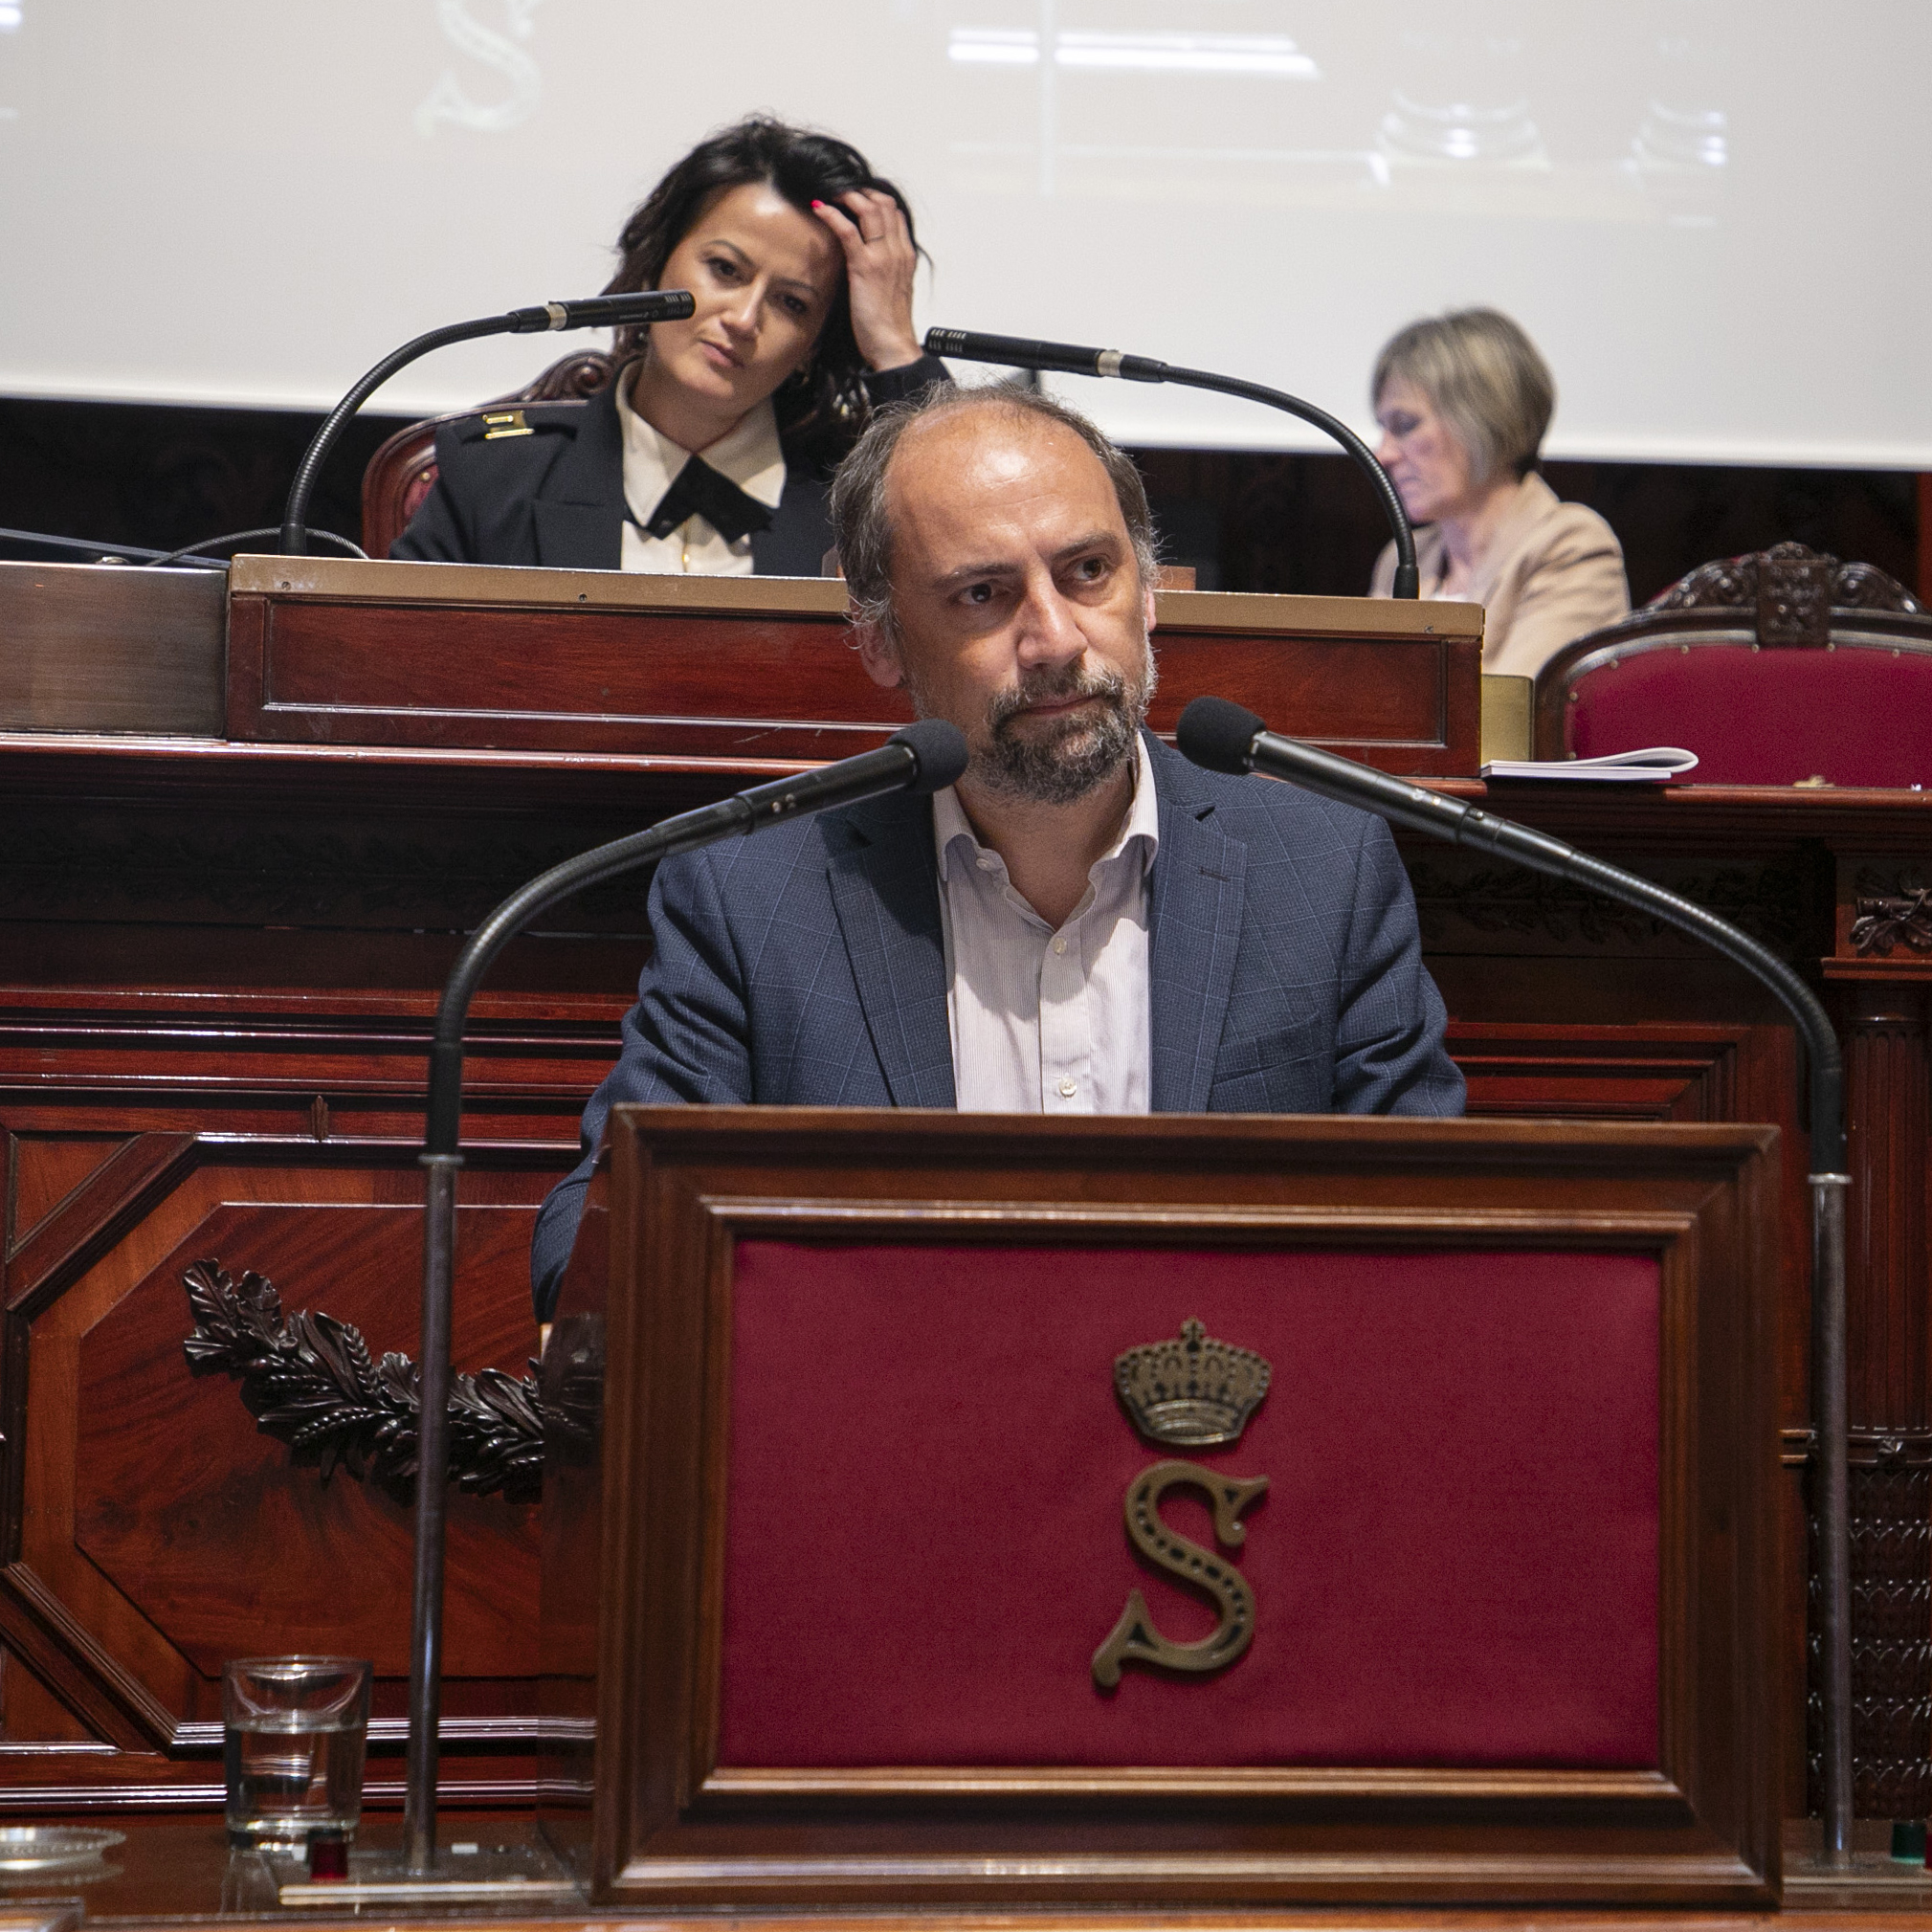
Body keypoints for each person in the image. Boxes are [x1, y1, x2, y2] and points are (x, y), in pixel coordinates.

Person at [530, 382, 1464, 1315]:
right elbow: (595, 1239)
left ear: (1148, 598)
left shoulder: (1325, 874)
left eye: (1089, 572)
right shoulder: (752, 893)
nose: (1055, 639)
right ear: (880, 642)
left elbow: (1440, 1242)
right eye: (983, 594)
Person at [391, 117, 948, 574]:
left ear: (814, 343)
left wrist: (895, 346)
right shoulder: (496, 478)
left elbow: (971, 540)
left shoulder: (856, 508)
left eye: (792, 303)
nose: (743, 318)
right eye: (725, 269)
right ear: (658, 262)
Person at [1367, 308, 1629, 679]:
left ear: (1484, 421)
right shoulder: (1400, 560)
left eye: (1405, 425)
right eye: (1384, 429)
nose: (1385, 454)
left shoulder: (1569, 545)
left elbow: (1509, 713)